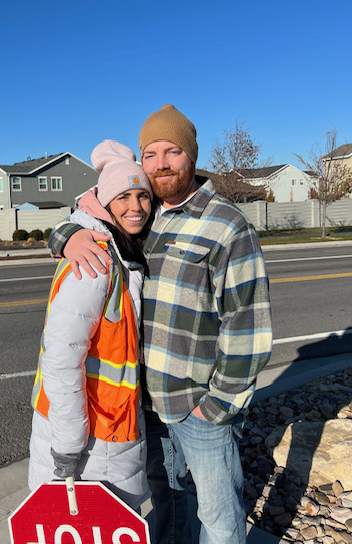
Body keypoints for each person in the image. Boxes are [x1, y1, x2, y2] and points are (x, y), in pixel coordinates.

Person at [49, 105, 273, 544]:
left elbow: (248, 327)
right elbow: (86, 217)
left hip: (198, 406)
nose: (160, 164)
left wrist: (217, 407)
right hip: (145, 403)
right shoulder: (140, 217)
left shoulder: (228, 226)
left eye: (172, 152)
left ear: (191, 156)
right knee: (166, 500)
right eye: (149, 154)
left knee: (219, 517)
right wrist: (64, 237)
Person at [28, 139, 154, 512]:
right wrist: (67, 445)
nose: (136, 207)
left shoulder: (126, 248)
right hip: (89, 441)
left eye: (143, 196)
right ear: (106, 204)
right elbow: (62, 358)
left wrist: (64, 233)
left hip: (112, 428)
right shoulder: (96, 263)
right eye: (124, 197)